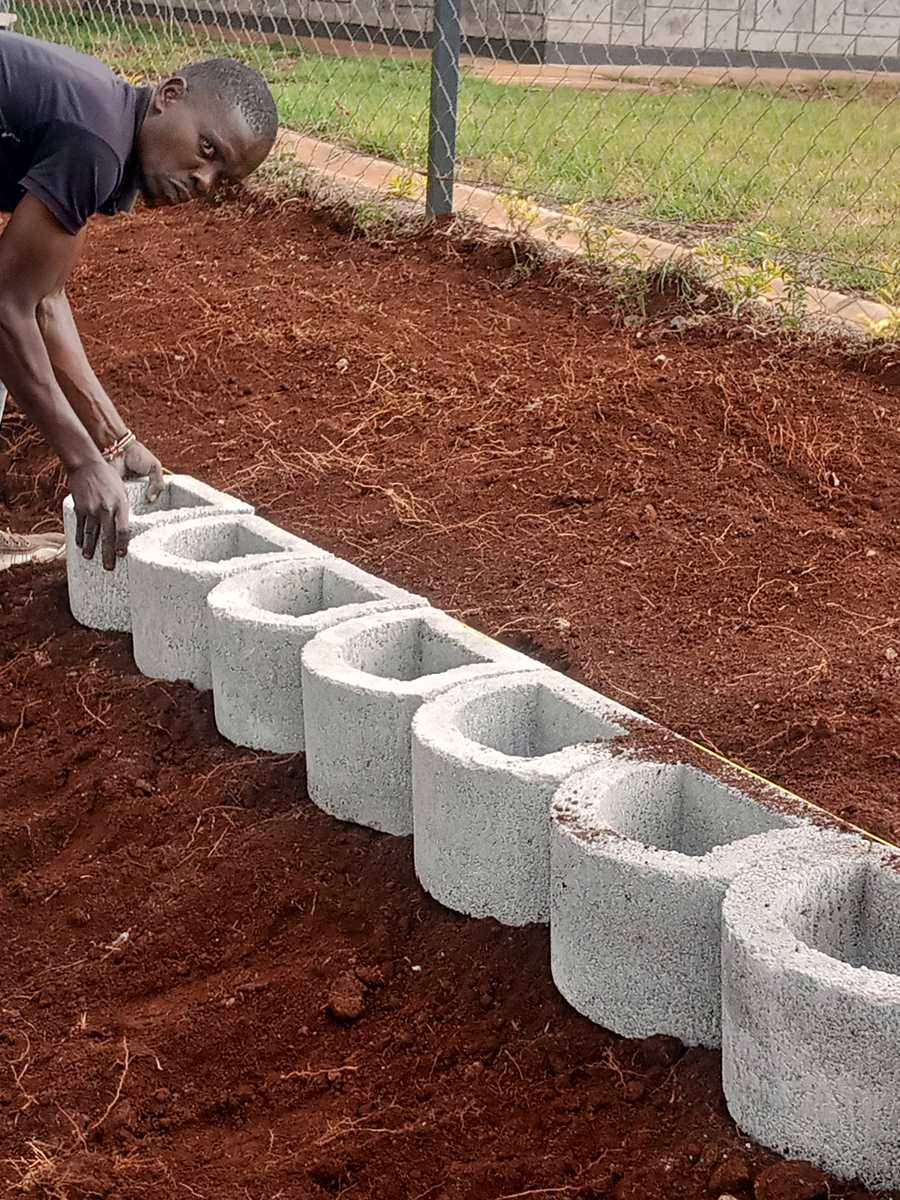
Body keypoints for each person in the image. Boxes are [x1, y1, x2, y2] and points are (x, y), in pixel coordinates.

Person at [0, 33, 278, 570]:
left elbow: (45, 301)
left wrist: (114, 441)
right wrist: (81, 461)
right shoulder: (96, 143)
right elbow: (7, 308)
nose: (204, 180)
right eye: (208, 149)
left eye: (221, 179)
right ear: (169, 95)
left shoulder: (105, 131)